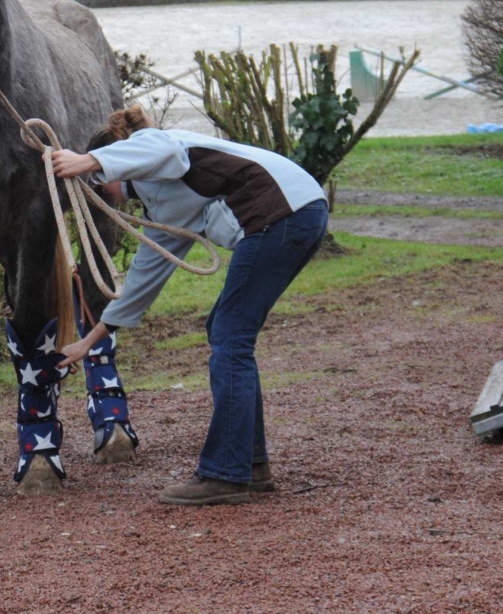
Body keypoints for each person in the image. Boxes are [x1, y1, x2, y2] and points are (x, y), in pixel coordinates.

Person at [51, 106, 328, 506]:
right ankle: (250, 466)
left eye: (99, 181)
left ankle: (226, 473)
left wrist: (88, 162)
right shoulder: (163, 203)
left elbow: (158, 148)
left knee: (230, 337)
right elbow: (142, 282)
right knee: (227, 332)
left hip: (281, 215)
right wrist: (89, 341)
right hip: (296, 213)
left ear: (120, 160)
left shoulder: (156, 147)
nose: (99, 189)